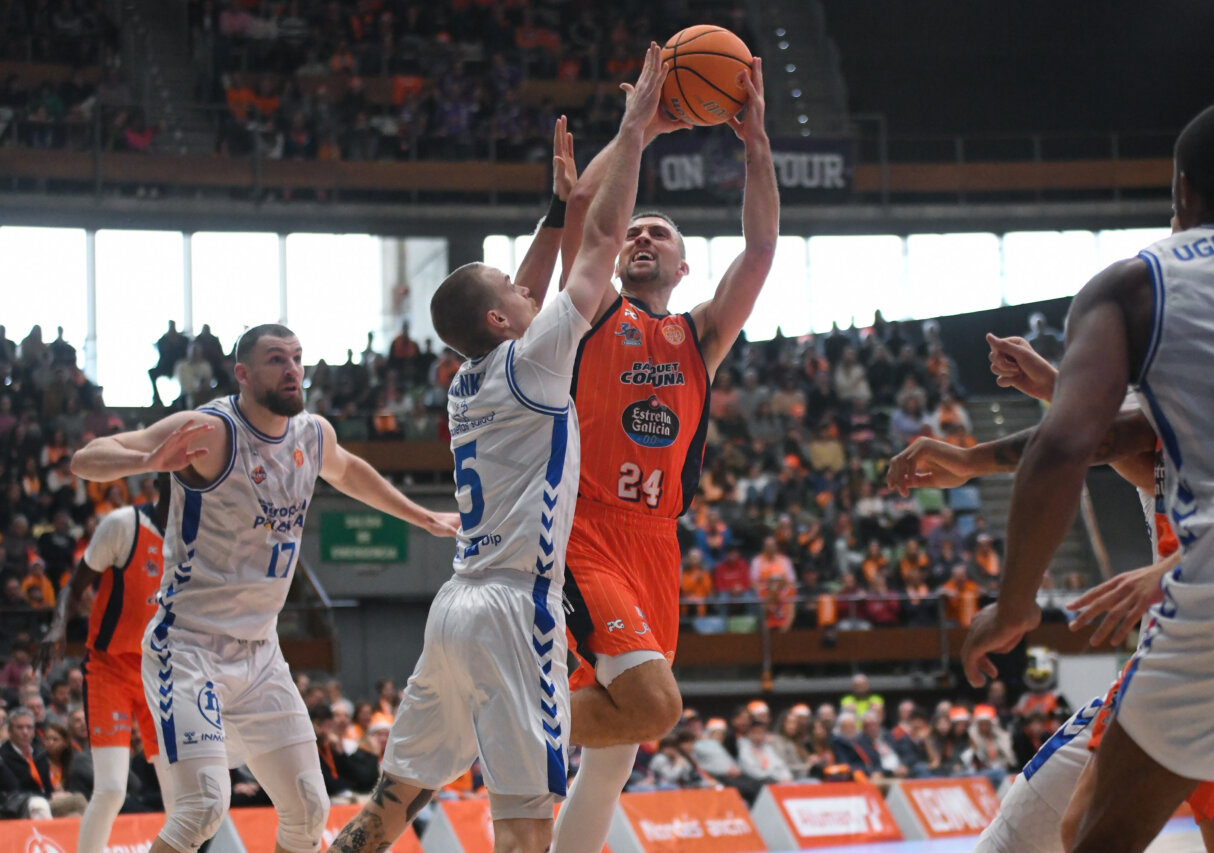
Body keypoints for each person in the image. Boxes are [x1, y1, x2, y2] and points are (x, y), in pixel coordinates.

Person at [323, 58, 661, 853]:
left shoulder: (467, 380)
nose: (526, 288)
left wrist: (555, 207)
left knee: (390, 802)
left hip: (453, 609)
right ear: (507, 321)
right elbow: (604, 240)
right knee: (522, 828)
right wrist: (636, 131)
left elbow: (529, 284)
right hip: (516, 607)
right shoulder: (537, 358)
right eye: (512, 290)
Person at [959, 102, 1214, 853]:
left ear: (1183, 193)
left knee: (1094, 834)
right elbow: (1133, 441)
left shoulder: (1137, 283)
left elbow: (1068, 444)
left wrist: (1013, 608)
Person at [70, 323, 459, 853]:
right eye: (278, 359)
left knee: (308, 807)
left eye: (298, 358)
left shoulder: (314, 435)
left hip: (261, 652)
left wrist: (423, 517)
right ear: (244, 375)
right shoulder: (210, 429)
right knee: (202, 807)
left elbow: (349, 471)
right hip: (188, 647)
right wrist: (145, 462)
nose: (293, 369)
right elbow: (86, 457)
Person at [551, 52, 778, 853]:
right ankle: (502, 714)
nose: (643, 235)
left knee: (612, 760)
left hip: (657, 545)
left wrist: (755, 145)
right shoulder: (594, 310)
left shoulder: (700, 336)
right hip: (585, 529)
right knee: (654, 703)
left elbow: (758, 252)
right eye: (637, 230)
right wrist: (636, 132)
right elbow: (589, 212)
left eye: (662, 234)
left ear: (684, 267)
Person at [39, 476, 174, 853]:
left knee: (182, 795)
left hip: (161, 671)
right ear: (162, 480)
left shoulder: (195, 534)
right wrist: (56, 626)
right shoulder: (123, 525)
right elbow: (73, 585)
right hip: (109, 667)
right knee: (112, 789)